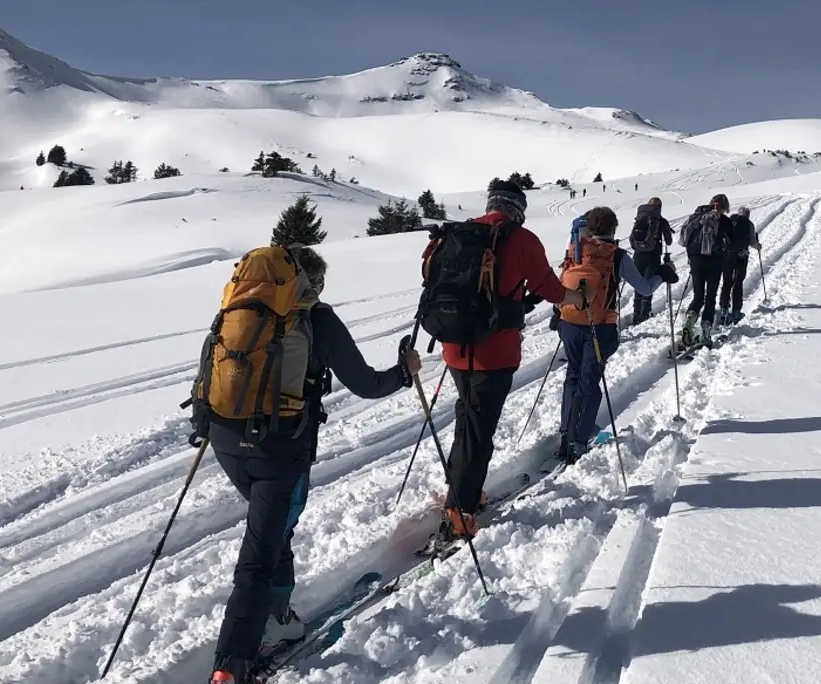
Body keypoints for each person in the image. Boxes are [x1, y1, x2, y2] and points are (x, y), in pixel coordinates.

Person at [201, 245, 422, 684]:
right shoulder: (316, 319)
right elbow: (364, 383)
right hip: (280, 448)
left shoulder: (236, 309)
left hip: (225, 440)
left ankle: (278, 617)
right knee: (260, 553)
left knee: (274, 527)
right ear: (310, 283)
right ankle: (232, 663)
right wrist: (404, 373)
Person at [422, 179, 590, 541]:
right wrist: (575, 299)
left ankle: (462, 491)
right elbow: (550, 288)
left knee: (468, 416)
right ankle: (460, 510)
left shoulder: (457, 235)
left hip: (454, 347)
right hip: (495, 353)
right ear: (517, 208)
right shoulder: (521, 239)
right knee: (480, 429)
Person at [555, 207, 678, 462]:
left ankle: (567, 432)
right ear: (613, 229)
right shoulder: (617, 256)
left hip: (569, 323)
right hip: (600, 327)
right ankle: (581, 439)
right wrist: (661, 275)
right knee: (590, 383)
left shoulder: (576, 250)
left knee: (573, 376)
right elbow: (643, 288)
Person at [679, 193, 734, 348]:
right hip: (715, 263)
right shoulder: (725, 221)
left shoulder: (698, 217)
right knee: (710, 298)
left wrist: (692, 259)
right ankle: (705, 333)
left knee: (698, 296)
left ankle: (689, 320)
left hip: (696, 261)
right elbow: (733, 243)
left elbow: (687, 240)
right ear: (724, 206)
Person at [628, 197, 675, 325]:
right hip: (653, 256)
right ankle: (645, 311)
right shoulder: (661, 221)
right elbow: (669, 241)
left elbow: (632, 239)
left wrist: (639, 247)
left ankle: (636, 312)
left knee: (639, 282)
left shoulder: (640, 218)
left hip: (638, 255)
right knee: (648, 284)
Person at [718, 206, 761, 326]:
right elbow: (752, 242)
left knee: (726, 282)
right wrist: (758, 246)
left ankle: (723, 309)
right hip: (741, 256)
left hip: (727, 255)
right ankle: (736, 311)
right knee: (738, 283)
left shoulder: (730, 221)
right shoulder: (749, 224)